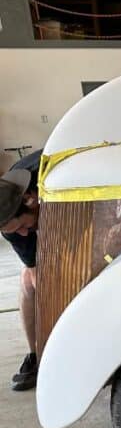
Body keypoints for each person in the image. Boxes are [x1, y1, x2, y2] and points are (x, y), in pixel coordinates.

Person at [0, 149, 42, 390]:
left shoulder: (52, 180)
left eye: (23, 226)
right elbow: (36, 274)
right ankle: (36, 355)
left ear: (30, 198)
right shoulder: (10, 224)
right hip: (37, 214)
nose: (23, 234)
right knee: (29, 282)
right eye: (15, 231)